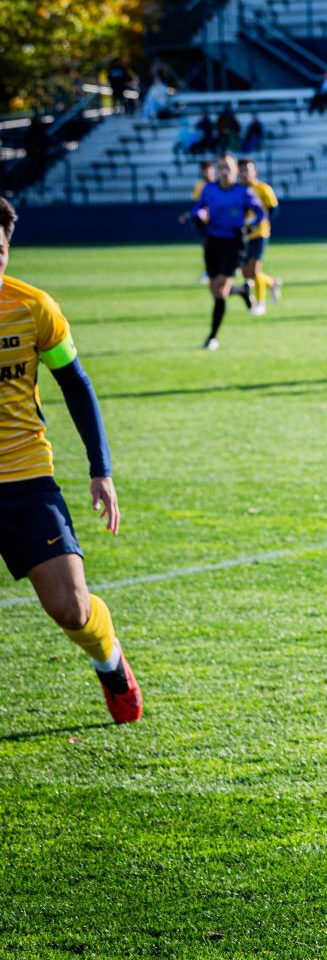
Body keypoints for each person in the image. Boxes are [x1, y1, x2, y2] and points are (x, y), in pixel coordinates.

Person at [0, 197, 142, 724]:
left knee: (71, 609)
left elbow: (77, 386)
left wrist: (100, 470)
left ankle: (110, 664)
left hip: (25, 479)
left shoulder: (35, 308)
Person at [192, 155, 263, 349]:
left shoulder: (243, 192)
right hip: (213, 243)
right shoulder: (209, 189)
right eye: (221, 167)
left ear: (235, 171)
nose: (224, 171)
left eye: (228, 168)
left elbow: (260, 212)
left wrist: (250, 226)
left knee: (221, 289)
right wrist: (199, 217)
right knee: (215, 290)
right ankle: (242, 290)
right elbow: (197, 209)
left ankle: (212, 337)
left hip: (234, 243)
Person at [237, 159, 281, 312]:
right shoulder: (237, 190)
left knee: (254, 271)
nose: (245, 173)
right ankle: (272, 282)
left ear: (254, 171)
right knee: (245, 273)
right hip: (242, 235)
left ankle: (260, 304)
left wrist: (259, 220)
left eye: (247, 170)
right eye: (242, 170)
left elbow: (273, 209)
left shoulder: (263, 189)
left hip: (260, 233)